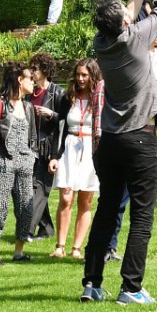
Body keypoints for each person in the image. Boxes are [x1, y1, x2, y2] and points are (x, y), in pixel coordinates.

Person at [80, 0, 157, 305]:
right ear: (122, 22)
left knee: (107, 211)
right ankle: (131, 288)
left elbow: (129, 13)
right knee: (142, 216)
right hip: (139, 139)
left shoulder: (101, 44)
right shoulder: (136, 38)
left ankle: (91, 283)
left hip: (109, 144)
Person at [0, 62, 39, 265]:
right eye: (30, 78)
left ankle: (18, 252)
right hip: (3, 162)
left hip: (25, 163)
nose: (34, 81)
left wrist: (32, 155)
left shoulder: (28, 106)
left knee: (25, 208)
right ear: (20, 80)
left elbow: (33, 137)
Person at [52, 59, 101, 259]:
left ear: (92, 76)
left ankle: (77, 248)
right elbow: (60, 128)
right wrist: (55, 156)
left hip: (90, 149)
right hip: (70, 147)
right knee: (65, 196)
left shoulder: (99, 98)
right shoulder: (68, 97)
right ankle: (60, 245)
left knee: (85, 200)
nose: (80, 79)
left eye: (85, 75)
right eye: (78, 74)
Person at [28, 53, 64, 241]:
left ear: (45, 71)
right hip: (29, 147)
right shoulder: (29, 93)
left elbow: (67, 121)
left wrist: (51, 114)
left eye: (35, 69)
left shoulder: (57, 93)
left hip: (48, 148)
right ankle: (47, 229)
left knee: (39, 188)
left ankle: (26, 230)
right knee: (29, 188)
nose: (31, 72)